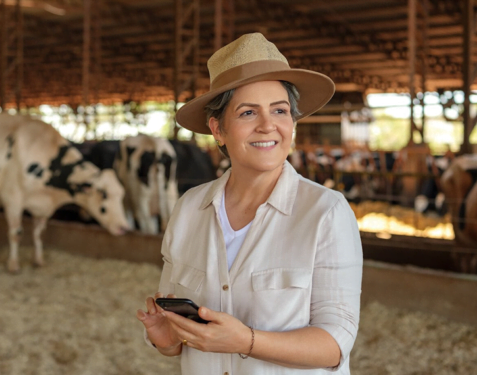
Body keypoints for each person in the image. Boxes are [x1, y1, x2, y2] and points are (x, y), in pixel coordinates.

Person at [136, 33, 363, 374]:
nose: (268, 125)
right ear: (218, 129)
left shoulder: (326, 211)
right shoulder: (188, 209)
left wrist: (246, 342)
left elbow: (335, 343)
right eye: (247, 113)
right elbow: (176, 337)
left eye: (280, 110)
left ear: (292, 123)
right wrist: (165, 338)